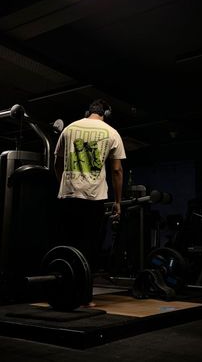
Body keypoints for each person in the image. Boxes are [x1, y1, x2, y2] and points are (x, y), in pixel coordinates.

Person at [54, 98, 126, 306]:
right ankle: (84, 298)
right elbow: (116, 170)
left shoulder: (69, 129)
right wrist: (118, 201)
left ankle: (63, 292)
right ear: (106, 113)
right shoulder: (112, 133)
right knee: (89, 248)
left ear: (88, 112)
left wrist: (64, 184)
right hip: (94, 197)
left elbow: (57, 163)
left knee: (67, 244)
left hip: (67, 196)